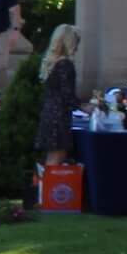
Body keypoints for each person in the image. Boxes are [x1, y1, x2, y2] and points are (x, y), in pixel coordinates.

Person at [36, 24, 82, 169]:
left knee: (51, 158)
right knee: (56, 159)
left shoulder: (52, 64)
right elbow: (67, 95)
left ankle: (44, 189)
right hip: (59, 117)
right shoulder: (65, 65)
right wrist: (86, 107)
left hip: (48, 114)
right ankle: (48, 191)